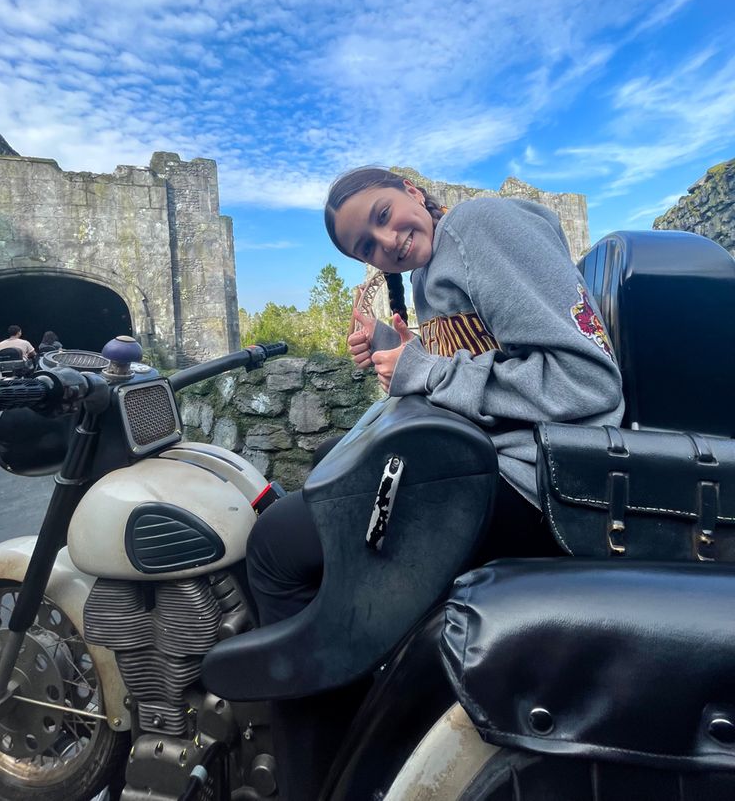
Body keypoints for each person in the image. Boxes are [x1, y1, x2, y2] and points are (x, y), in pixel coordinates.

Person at [245, 166, 624, 799]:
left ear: (414, 193)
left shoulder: (479, 226)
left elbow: (585, 380)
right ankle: (359, 725)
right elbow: (482, 352)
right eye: (366, 245)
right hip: (490, 463)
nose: (385, 239)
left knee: (275, 551)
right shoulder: (431, 267)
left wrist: (421, 368)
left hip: (531, 481)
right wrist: (397, 350)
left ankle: (312, 780)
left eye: (385, 214)